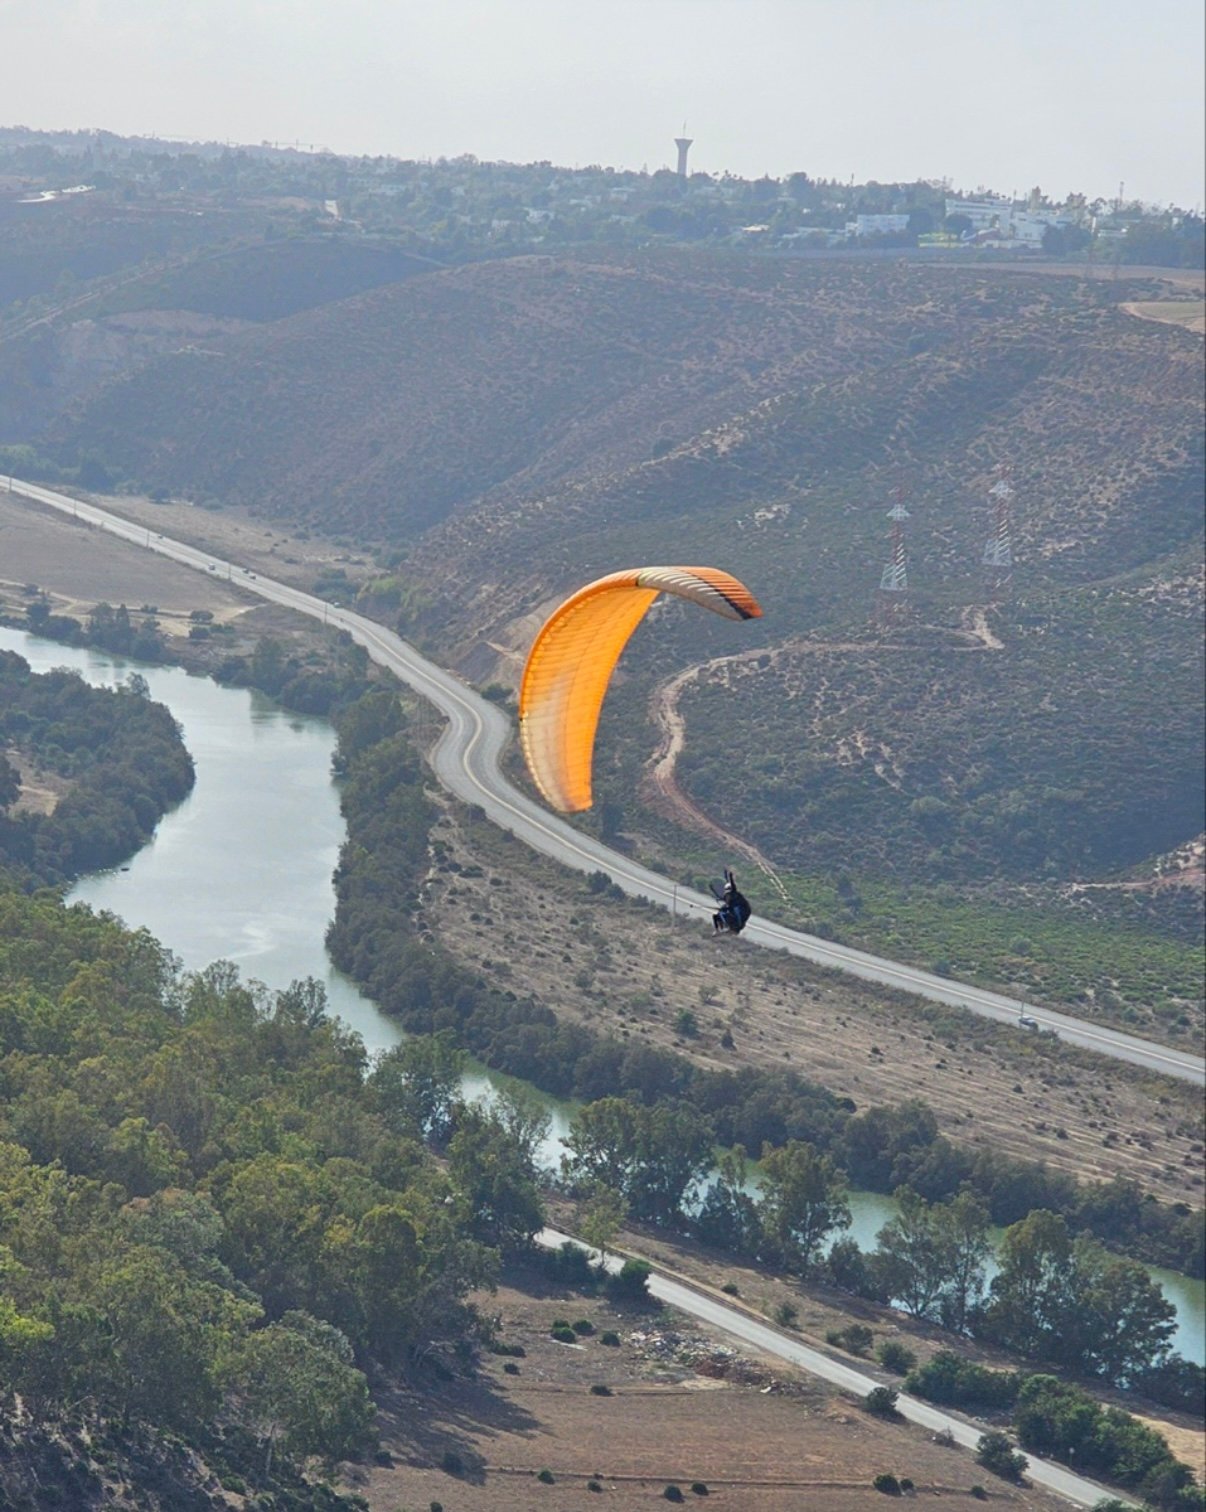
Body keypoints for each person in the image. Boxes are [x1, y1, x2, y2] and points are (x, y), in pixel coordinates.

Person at [712, 867, 752, 934]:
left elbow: (732, 885)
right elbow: (726, 906)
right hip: (736, 914)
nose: (727, 897)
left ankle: (736, 927)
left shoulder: (734, 894)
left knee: (735, 910)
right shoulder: (729, 900)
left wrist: (730, 876)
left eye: (728, 894)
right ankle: (718, 929)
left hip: (744, 912)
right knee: (716, 915)